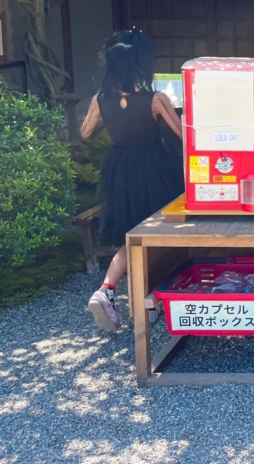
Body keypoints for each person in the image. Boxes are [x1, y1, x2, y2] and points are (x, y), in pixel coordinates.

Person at [80, 28, 184, 331]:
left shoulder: (100, 100)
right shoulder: (155, 99)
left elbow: (85, 133)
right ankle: (149, 305)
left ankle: (108, 290)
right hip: (155, 169)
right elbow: (185, 136)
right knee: (158, 235)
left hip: (119, 169)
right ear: (141, 62)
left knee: (130, 237)